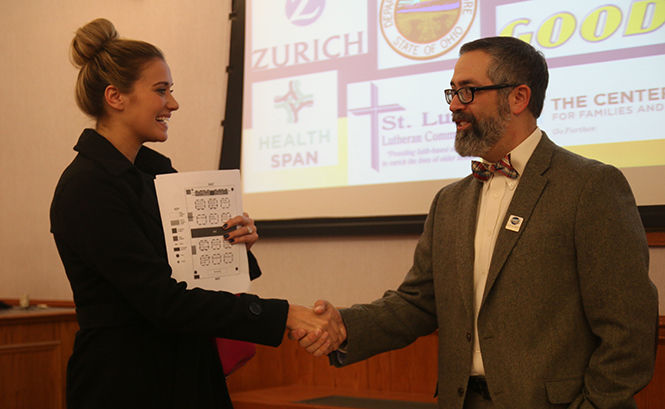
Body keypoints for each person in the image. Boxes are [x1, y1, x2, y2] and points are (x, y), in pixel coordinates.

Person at [294, 36, 659, 408]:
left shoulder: (590, 186)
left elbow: (629, 327)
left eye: (467, 91)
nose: (454, 105)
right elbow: (418, 304)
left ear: (518, 98)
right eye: (451, 92)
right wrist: (343, 326)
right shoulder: (449, 202)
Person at [50, 18, 343, 409]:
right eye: (161, 91)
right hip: (127, 385)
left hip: (189, 376)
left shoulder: (158, 174)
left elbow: (199, 278)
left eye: (171, 91)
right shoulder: (86, 188)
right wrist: (284, 314)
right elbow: (163, 301)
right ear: (115, 97)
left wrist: (233, 244)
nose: (172, 104)